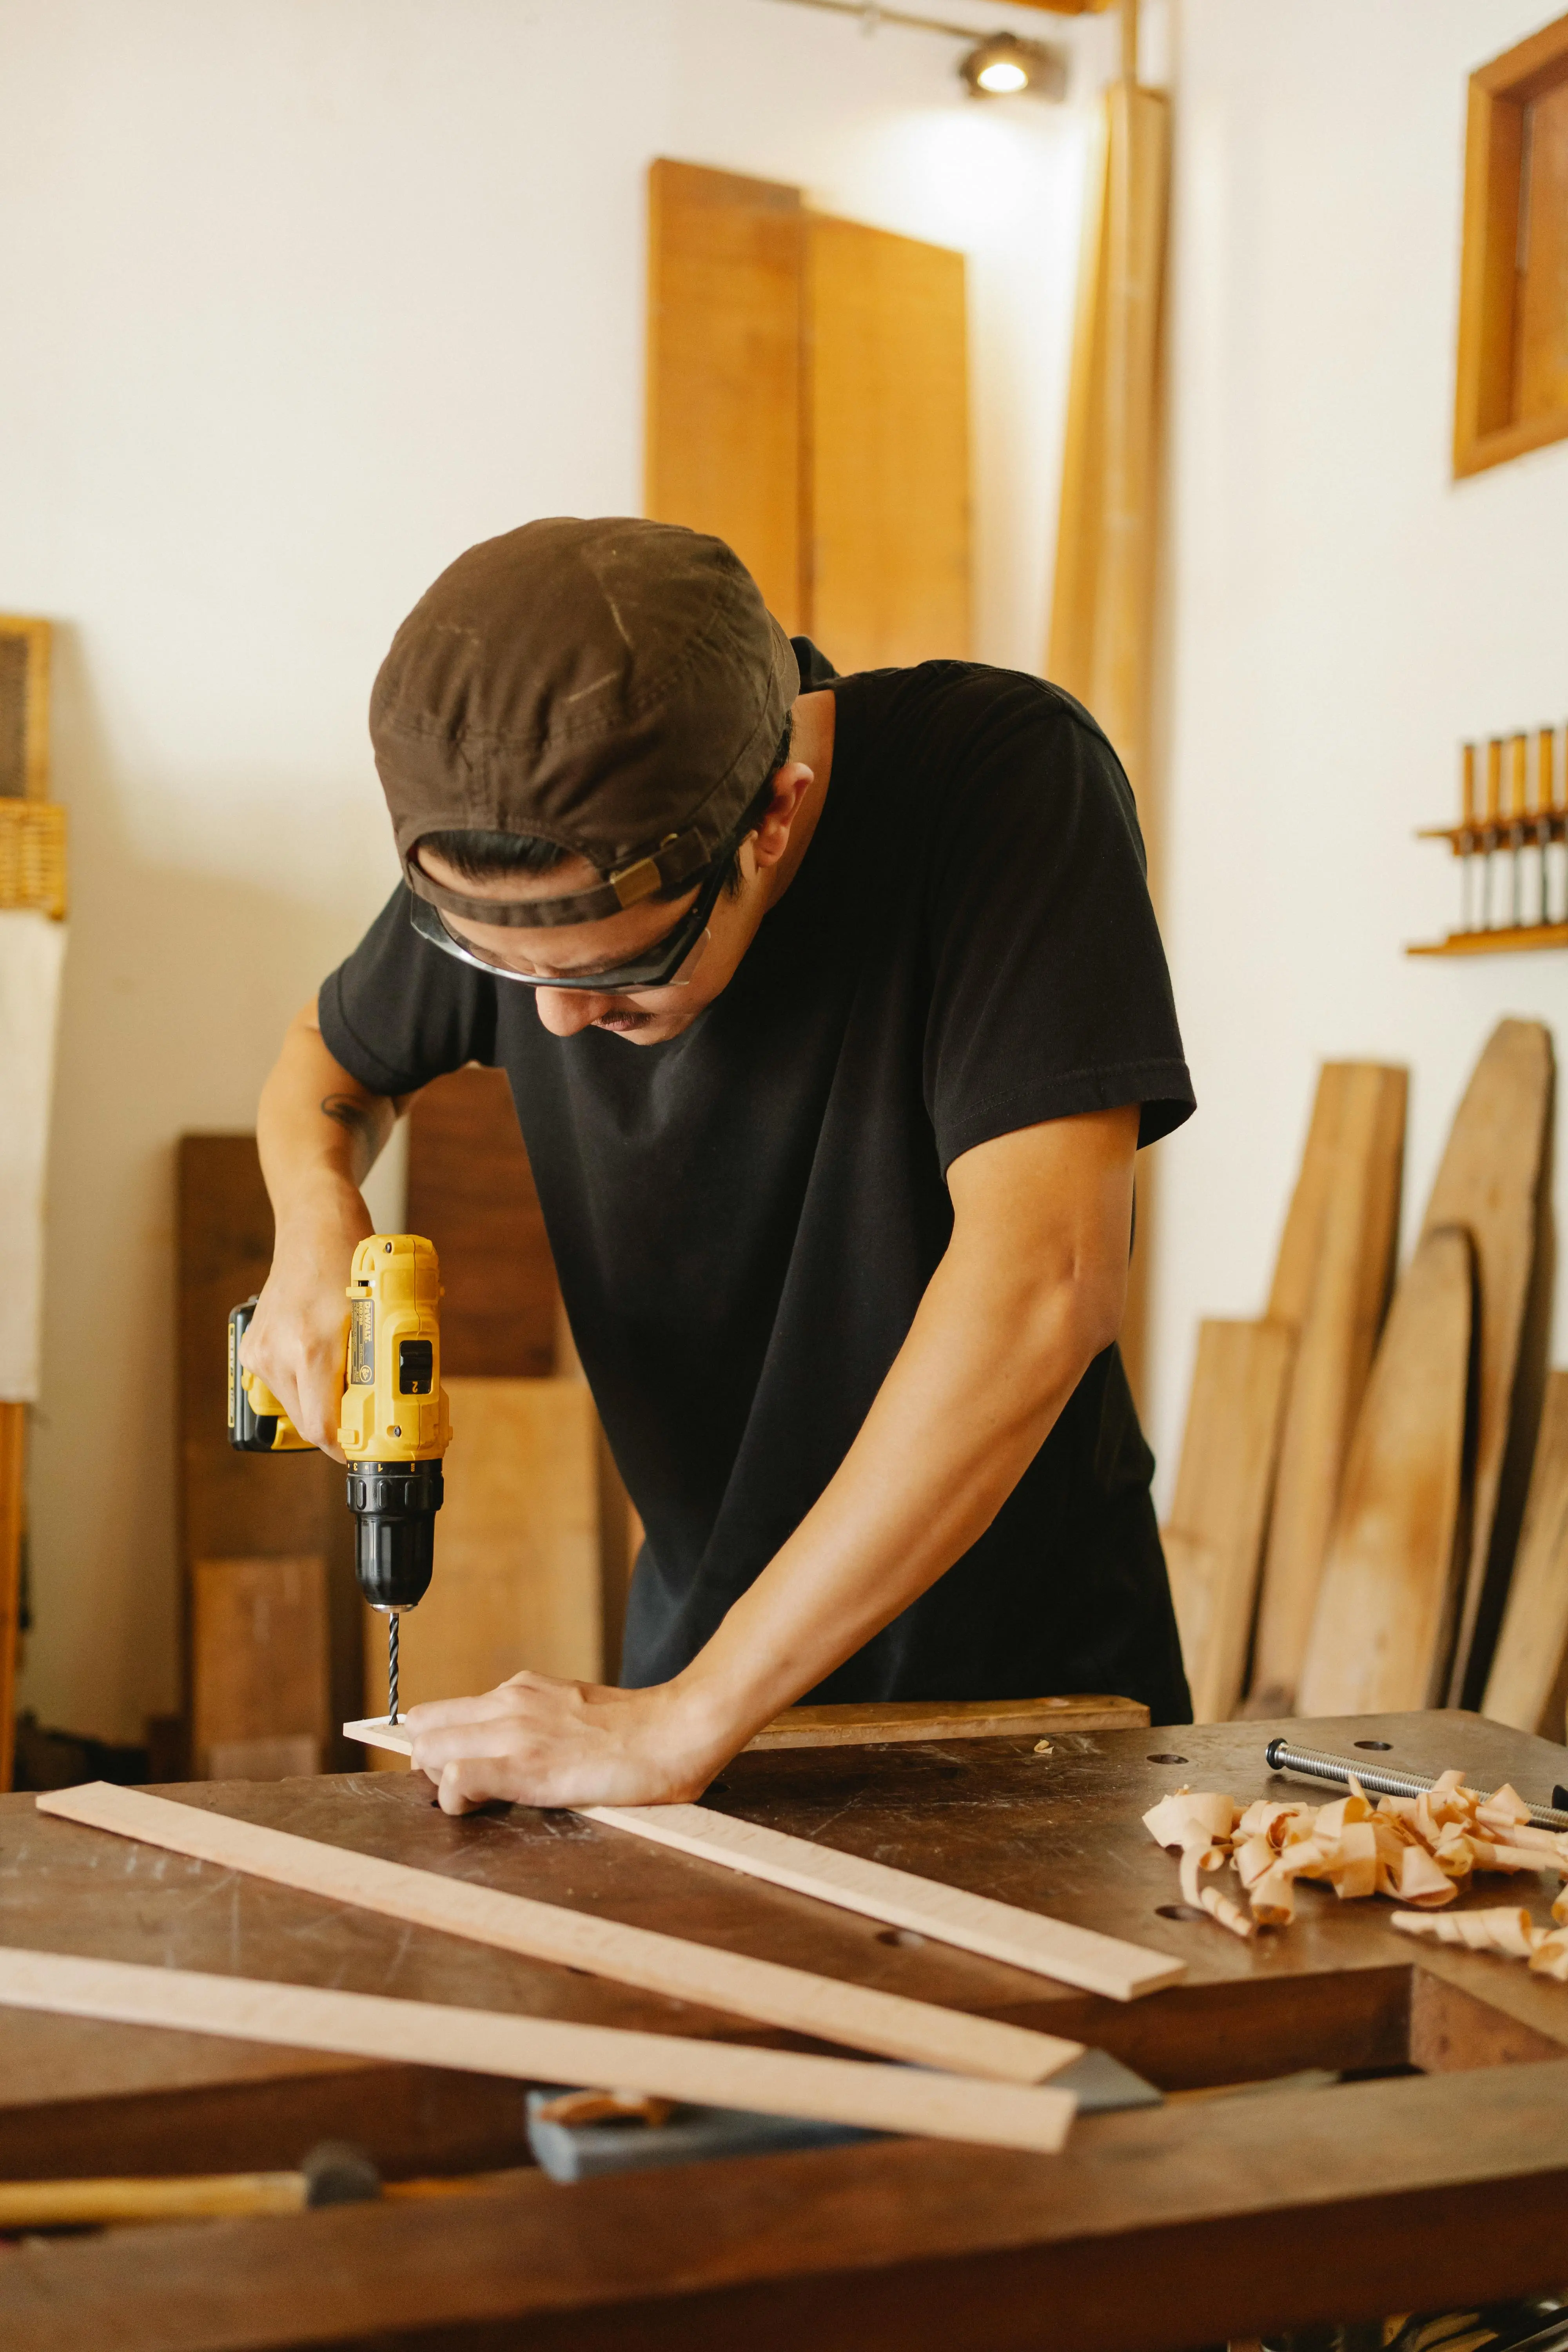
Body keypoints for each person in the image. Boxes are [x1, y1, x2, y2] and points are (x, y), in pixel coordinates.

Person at [242, 515, 1195, 1815]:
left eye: (617, 977)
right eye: (501, 976)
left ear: (773, 819)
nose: (557, 1024)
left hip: (1017, 1698)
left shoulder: (1002, 787)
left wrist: (694, 1713)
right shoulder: (524, 865)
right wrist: (315, 1225)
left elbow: (1047, 1282)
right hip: (691, 1671)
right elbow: (327, 1062)